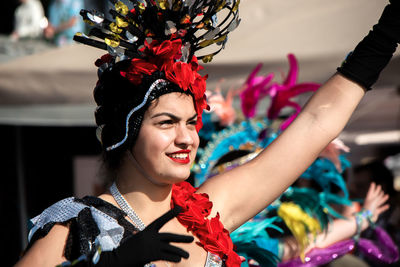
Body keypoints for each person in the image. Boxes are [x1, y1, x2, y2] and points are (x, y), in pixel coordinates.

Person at [15, 0, 400, 266]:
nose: (187, 138)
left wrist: (386, 34)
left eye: (191, 123)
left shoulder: (209, 209)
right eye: (166, 123)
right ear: (124, 135)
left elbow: (316, 123)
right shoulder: (76, 224)